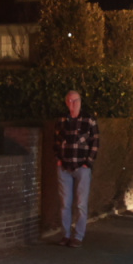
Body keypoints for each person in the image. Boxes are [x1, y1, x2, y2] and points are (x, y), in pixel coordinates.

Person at [52, 88, 99, 247]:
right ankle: (65, 235)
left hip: (82, 168)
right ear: (66, 103)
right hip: (64, 167)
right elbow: (56, 141)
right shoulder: (62, 120)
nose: (72, 104)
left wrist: (88, 163)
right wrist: (58, 159)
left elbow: (95, 142)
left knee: (80, 203)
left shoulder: (89, 119)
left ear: (80, 102)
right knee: (65, 203)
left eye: (75, 100)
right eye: (69, 101)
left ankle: (78, 236)